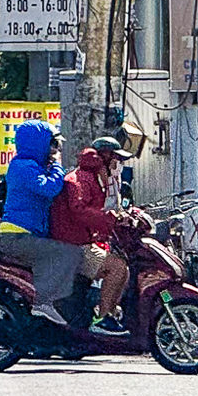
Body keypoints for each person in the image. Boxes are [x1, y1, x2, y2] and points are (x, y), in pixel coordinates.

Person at [0, 120, 78, 325]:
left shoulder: (35, 166)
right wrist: (58, 166)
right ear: (38, 143)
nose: (55, 150)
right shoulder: (23, 166)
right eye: (52, 145)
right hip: (17, 236)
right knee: (66, 253)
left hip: (28, 234)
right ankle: (43, 302)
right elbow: (49, 188)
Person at [51, 136, 132, 334]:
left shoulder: (95, 178)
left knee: (123, 269)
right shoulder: (79, 180)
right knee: (117, 268)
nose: (118, 164)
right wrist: (110, 219)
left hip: (83, 241)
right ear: (104, 156)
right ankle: (101, 320)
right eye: (116, 158)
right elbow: (79, 210)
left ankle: (109, 312)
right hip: (72, 246)